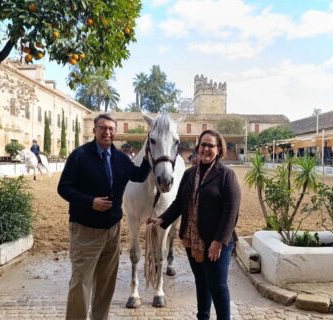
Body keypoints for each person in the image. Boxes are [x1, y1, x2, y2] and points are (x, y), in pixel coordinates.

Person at [57, 114, 151, 320]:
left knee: (106, 282)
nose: (107, 132)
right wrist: (90, 201)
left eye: (111, 128)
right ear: (94, 131)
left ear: (115, 132)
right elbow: (63, 188)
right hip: (85, 229)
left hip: (112, 231)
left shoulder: (120, 159)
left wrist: (151, 150)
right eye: (102, 128)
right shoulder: (79, 155)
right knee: (81, 282)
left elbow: (140, 175)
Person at [147, 129, 241, 320]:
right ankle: (203, 317)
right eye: (203, 145)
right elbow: (179, 204)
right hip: (192, 239)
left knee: (218, 285)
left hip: (217, 242)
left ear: (219, 149)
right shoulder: (190, 174)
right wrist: (162, 220)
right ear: (198, 148)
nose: (206, 149)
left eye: (211, 145)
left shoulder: (226, 175)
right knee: (201, 281)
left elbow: (231, 212)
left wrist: (219, 241)